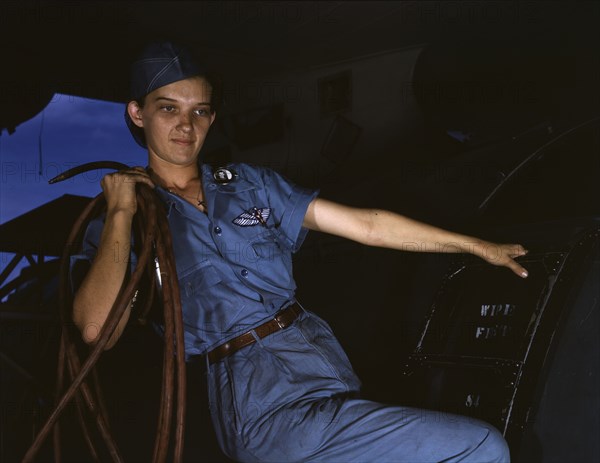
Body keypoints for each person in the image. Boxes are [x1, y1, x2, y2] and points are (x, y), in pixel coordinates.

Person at [72, 41, 528, 462]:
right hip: (256, 395)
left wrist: (474, 246)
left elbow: (366, 225)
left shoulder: (249, 184)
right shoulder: (127, 221)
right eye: (168, 108)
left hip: (319, 357)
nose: (186, 125)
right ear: (137, 113)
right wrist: (119, 212)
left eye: (200, 111)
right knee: (481, 447)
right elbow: (98, 329)